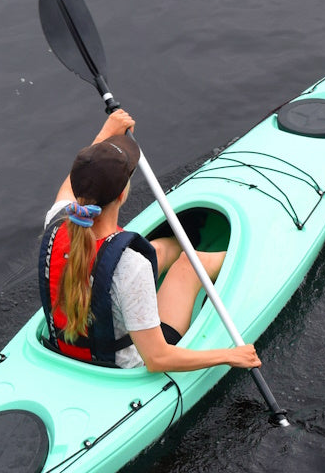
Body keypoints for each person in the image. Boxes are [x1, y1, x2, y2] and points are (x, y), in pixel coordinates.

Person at [38, 109, 262, 374]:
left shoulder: (58, 221)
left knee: (156, 249)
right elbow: (158, 359)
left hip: (67, 348)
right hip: (127, 364)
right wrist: (229, 355)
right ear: (122, 196)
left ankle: (186, 239)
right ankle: (256, 250)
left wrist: (107, 131)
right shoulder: (131, 267)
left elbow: (72, 186)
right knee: (190, 264)